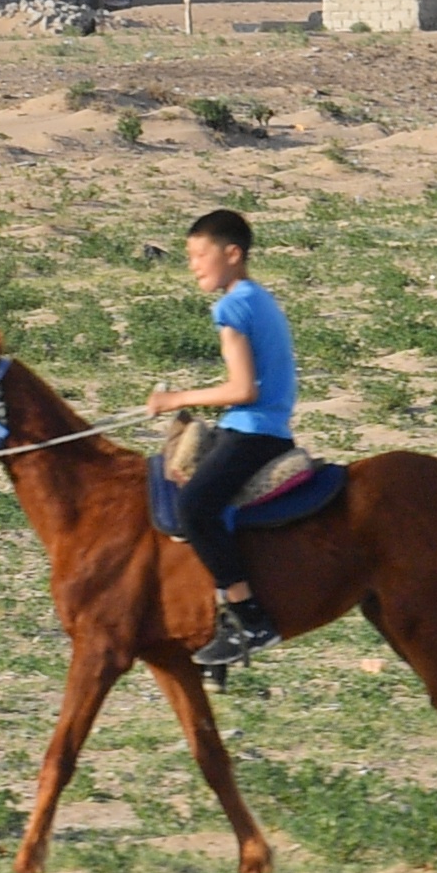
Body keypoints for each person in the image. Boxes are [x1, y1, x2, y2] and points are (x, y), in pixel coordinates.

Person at [141, 207, 297, 675]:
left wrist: (175, 399)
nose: (193, 264)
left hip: (254, 431)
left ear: (232, 254)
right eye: (189, 256)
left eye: (199, 254)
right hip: (261, 427)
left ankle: (249, 616)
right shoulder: (258, 297)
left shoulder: (230, 306)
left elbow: (243, 389)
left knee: (193, 508)